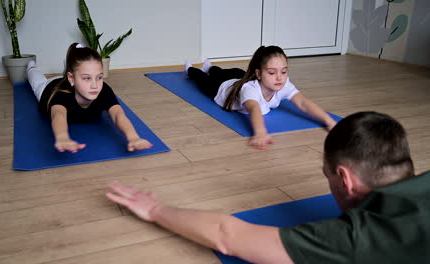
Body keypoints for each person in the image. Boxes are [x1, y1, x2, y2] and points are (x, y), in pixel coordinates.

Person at [106, 111, 430, 263]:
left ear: (344, 179)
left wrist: (155, 209)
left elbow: (226, 236)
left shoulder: (358, 237)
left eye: (327, 176)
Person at [186, 46, 337, 150]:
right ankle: (191, 69)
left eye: (284, 72)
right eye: (272, 73)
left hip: (238, 78)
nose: (279, 78)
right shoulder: (250, 89)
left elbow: (303, 103)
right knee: (202, 80)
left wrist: (329, 121)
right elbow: (254, 109)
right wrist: (260, 133)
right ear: (259, 74)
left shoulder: (282, 84)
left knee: (231, 71)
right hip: (221, 89)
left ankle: (211, 67)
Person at [26, 43, 152, 153]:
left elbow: (118, 114)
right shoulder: (61, 95)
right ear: (71, 78)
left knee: (82, 72)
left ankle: (72, 66)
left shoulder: (103, 90)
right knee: (36, 80)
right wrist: (62, 137)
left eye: (99, 77)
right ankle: (31, 68)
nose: (95, 85)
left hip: (71, 79)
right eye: (87, 78)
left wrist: (133, 137)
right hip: (50, 87)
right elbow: (58, 115)